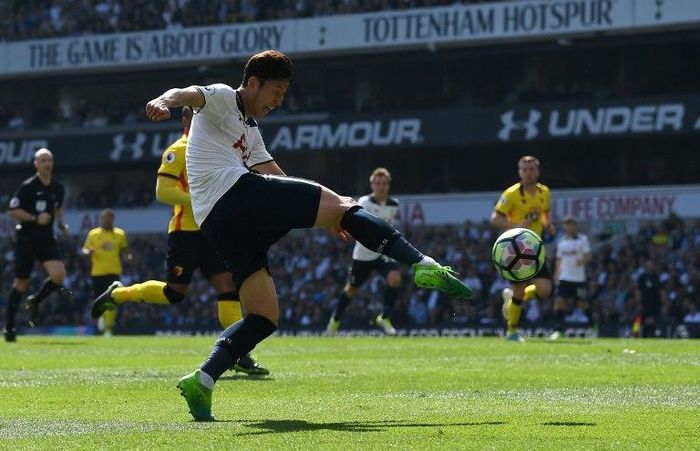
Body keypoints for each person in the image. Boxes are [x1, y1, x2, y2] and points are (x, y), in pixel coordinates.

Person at [143, 49, 471, 420]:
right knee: (347, 206)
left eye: (283, 95)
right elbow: (187, 93)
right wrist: (162, 100)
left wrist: (324, 213)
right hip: (234, 196)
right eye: (275, 92)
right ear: (252, 83)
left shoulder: (249, 130)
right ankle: (422, 263)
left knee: (264, 316)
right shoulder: (221, 97)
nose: (278, 102)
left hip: (219, 224)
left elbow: (272, 172)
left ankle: (201, 380)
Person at [91, 107, 268, 375]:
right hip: (185, 232)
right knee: (175, 293)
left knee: (227, 286)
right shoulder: (179, 149)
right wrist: (201, 199)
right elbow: (163, 191)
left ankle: (240, 354)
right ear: (186, 119)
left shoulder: (218, 148)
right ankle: (118, 294)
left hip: (213, 230)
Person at [2, 148, 71, 342]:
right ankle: (8, 326)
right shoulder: (28, 187)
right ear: (36, 164)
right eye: (43, 160)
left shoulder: (58, 187)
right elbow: (12, 210)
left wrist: (60, 224)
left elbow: (58, 207)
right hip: (26, 240)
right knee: (21, 283)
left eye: (49, 159)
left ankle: (35, 301)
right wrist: (34, 218)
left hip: (46, 239)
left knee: (58, 276)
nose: (47, 163)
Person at [326, 167, 402, 336]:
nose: (381, 186)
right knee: (351, 289)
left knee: (395, 279)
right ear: (372, 185)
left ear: (388, 185)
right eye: (378, 183)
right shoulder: (365, 202)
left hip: (382, 253)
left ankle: (385, 317)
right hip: (363, 255)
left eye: (384, 183)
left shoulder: (394, 204)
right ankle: (335, 318)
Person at [490, 156, 554, 342]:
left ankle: (510, 301)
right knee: (519, 290)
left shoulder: (545, 192)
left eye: (532, 169)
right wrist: (519, 224)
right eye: (524, 170)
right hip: (515, 249)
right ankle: (512, 331)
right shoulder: (511, 194)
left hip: (536, 248)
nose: (528, 173)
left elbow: (545, 214)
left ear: (538, 171)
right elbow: (495, 219)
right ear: (519, 172)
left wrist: (548, 225)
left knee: (545, 290)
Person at [82, 209, 129, 336]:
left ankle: (108, 327)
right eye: (104, 218)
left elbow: (124, 251)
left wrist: (128, 258)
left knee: (113, 299)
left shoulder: (120, 234)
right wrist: (88, 252)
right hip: (97, 272)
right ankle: (104, 318)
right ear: (101, 219)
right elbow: (85, 249)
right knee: (100, 300)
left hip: (114, 271)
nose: (107, 220)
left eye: (109, 218)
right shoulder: (93, 234)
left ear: (112, 219)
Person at [551, 215, 591, 339]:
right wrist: (557, 274)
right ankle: (559, 330)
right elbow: (559, 260)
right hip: (565, 278)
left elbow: (588, 256)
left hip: (579, 279)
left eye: (571, 224)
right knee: (559, 302)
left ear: (575, 226)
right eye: (567, 224)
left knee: (582, 304)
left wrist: (581, 261)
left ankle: (593, 324)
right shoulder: (562, 242)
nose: (569, 226)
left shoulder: (583, 240)